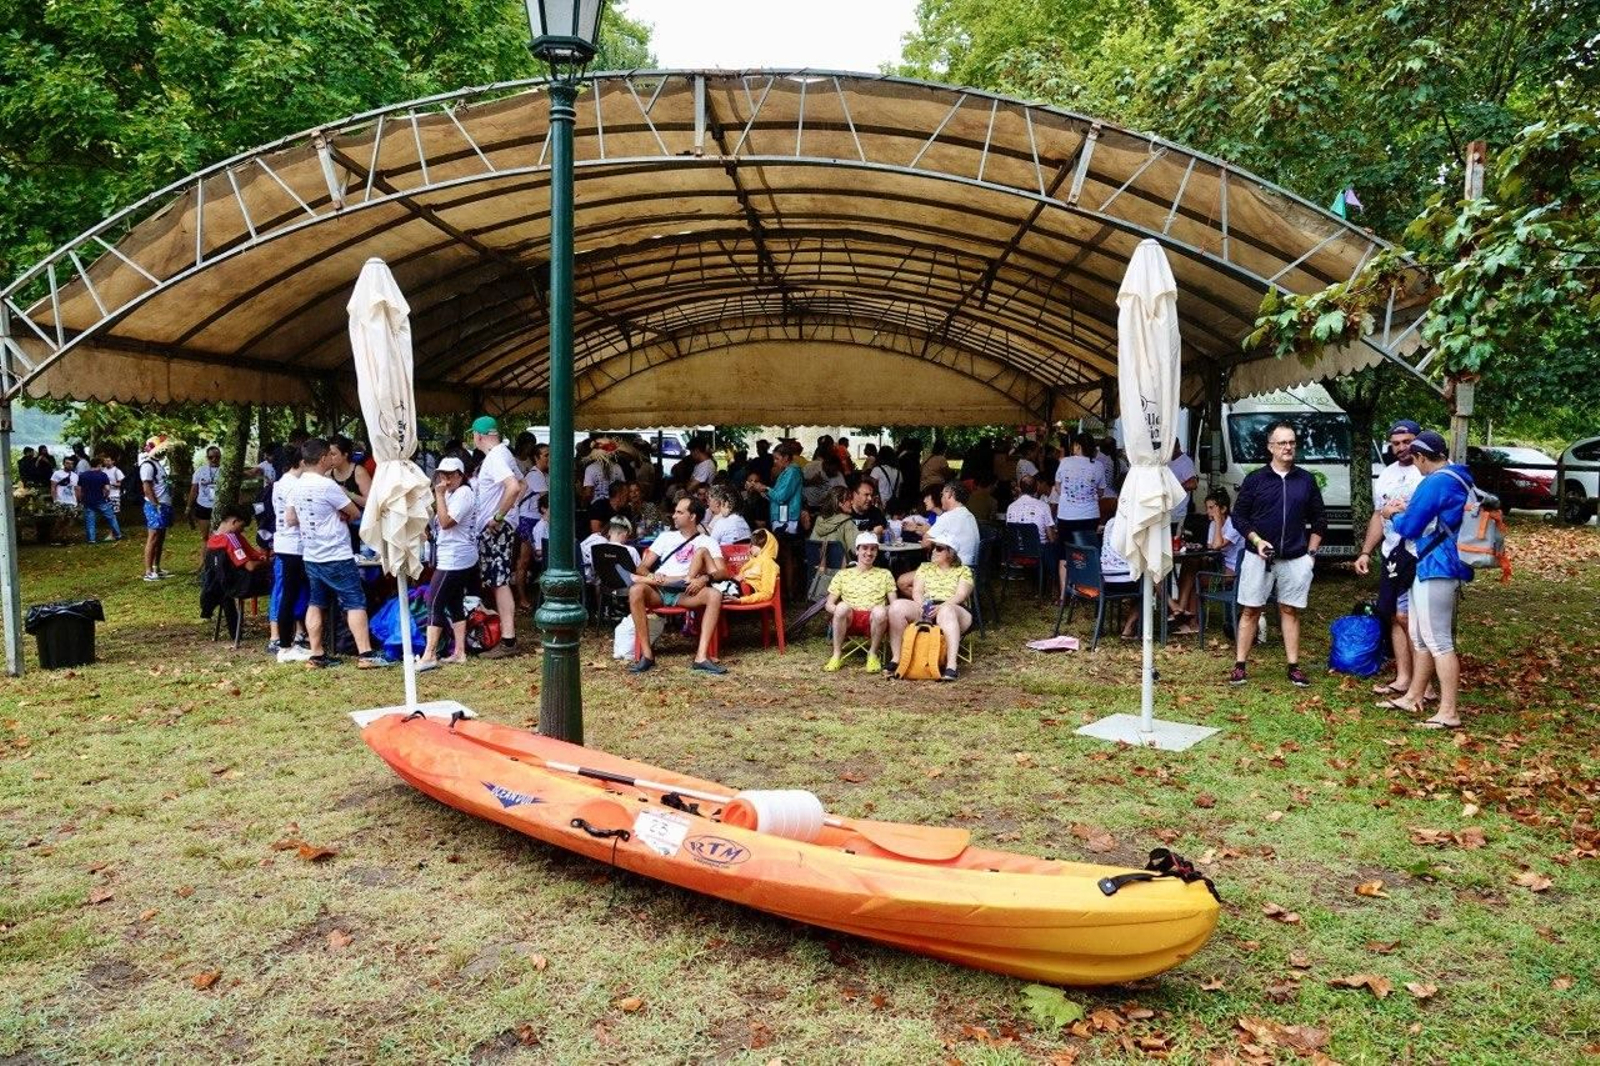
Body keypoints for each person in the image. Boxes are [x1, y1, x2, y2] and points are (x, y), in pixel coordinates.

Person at [1384, 431, 1476, 730]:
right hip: (1432, 564)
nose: (1415, 466)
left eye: (1416, 459)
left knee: (1439, 640)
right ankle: (1413, 696)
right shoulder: (1458, 476)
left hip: (1436, 565)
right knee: (1420, 635)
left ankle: (1449, 711)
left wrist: (1391, 514)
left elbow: (1410, 526)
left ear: (1423, 457)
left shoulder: (1436, 482)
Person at [1229, 420, 1327, 687]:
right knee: (1251, 609)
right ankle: (1240, 665)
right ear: (1270, 447)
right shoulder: (1256, 479)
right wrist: (1257, 540)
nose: (1288, 447)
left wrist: (1311, 555)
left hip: (1296, 558)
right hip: (1258, 556)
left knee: (1289, 610)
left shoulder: (1305, 480)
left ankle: (1293, 666)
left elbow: (1319, 520)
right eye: (1282, 443)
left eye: (1292, 442)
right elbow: (1239, 517)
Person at [286, 438, 389, 669]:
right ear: (323, 458)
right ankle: (366, 654)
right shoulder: (327, 485)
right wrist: (338, 514)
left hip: (311, 554)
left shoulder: (297, 485)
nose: (332, 459)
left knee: (316, 602)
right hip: (336, 553)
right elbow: (353, 512)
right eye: (329, 456)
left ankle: (317, 654)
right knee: (355, 601)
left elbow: (290, 519)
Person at [1358, 420, 1427, 698]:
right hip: (1391, 554)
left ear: (1418, 441)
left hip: (1417, 554)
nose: (1401, 448)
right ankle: (1403, 677)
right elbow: (1378, 514)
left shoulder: (1425, 473)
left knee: (1410, 618)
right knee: (1393, 617)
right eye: (1396, 443)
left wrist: (1401, 511)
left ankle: (1425, 686)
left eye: (1407, 442)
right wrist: (1365, 551)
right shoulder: (1385, 474)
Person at [627, 495, 728, 675]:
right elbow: (641, 567)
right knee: (636, 590)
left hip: (685, 592)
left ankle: (701, 657)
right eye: (675, 511)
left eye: (679, 512)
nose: (673, 516)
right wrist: (651, 574)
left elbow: (722, 572)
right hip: (659, 589)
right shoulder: (666, 537)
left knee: (714, 595)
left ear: (692, 517)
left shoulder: (707, 542)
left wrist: (704, 579)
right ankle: (647, 655)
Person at [469, 416, 524, 658]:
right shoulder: (505, 453)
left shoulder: (494, 457)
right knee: (496, 580)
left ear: (478, 436)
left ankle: (508, 640)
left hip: (496, 528)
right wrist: (512, 513)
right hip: (502, 526)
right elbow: (522, 485)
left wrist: (500, 516)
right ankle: (505, 635)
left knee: (499, 581)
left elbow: (513, 487)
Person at [887, 534, 974, 681]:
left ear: (950, 553)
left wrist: (941, 606)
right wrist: (923, 605)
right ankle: (897, 658)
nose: (933, 551)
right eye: (933, 547)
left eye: (939, 548)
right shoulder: (925, 567)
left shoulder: (963, 570)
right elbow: (917, 591)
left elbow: (961, 595)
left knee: (946, 610)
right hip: (927, 606)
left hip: (954, 608)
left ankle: (951, 665)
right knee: (896, 606)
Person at [417, 457, 477, 672]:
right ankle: (459, 651)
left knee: (433, 601)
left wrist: (439, 495)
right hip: (455, 555)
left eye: (451, 474)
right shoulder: (453, 493)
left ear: (461, 475)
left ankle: (430, 653)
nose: (446, 478)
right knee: (454, 602)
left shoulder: (463, 494)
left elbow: (446, 522)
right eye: (443, 474)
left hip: (455, 557)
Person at [1170, 488, 1244, 628]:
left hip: (1234, 570)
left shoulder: (1233, 524)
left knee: (1194, 579)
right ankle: (1182, 614)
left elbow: (1216, 545)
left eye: (1211, 508)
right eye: (1207, 508)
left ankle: (1187, 618)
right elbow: (1210, 547)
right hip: (1219, 564)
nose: (1207, 512)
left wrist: (1217, 521)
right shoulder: (1212, 524)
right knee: (1190, 564)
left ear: (1223, 509)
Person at [823, 533, 896, 672]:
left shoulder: (885, 574)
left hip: (874, 619)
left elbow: (894, 605)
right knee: (842, 606)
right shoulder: (843, 574)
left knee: (880, 610)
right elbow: (829, 604)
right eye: (865, 548)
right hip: (849, 618)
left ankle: (873, 654)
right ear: (857, 550)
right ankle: (836, 654)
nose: (869, 553)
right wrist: (839, 610)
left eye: (873, 549)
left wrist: (879, 610)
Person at [899, 481, 980, 597]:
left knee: (902, 581)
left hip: (953, 571)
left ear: (949, 494)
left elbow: (925, 543)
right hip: (971, 570)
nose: (941, 498)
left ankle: (932, 606)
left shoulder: (948, 516)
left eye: (942, 495)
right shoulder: (970, 516)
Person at [269, 444, 311, 662]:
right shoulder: (295, 485)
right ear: (302, 462)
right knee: (290, 595)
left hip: (284, 543)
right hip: (294, 545)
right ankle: (286, 645)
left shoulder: (280, 483)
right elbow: (291, 518)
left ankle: (291, 641)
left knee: (291, 594)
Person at [204, 505, 271, 637]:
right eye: (242, 526)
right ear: (234, 521)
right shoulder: (231, 539)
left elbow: (252, 553)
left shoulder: (211, 541)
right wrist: (267, 562)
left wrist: (260, 557)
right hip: (240, 585)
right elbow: (250, 566)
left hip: (222, 586)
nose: (242, 531)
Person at [512, 442, 551, 611]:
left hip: (540, 519)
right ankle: (522, 598)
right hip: (528, 520)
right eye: (546, 455)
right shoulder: (535, 475)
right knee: (524, 560)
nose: (550, 458)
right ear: (536, 458)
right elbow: (546, 498)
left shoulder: (546, 476)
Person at [1054, 433, 1107, 544]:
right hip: (1090, 516)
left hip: (1066, 514)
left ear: (1078, 446)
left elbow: (1058, 487)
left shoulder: (1065, 462)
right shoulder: (1098, 465)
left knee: (1064, 554)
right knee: (1086, 552)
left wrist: (1068, 496)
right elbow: (1101, 492)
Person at [138, 437, 174, 581]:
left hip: (165, 503)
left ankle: (157, 567)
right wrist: (156, 504)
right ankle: (148, 571)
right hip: (155, 505)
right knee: (153, 537)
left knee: (161, 537)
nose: (164, 452)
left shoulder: (158, 464)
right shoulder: (147, 465)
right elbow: (147, 488)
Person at [74, 456, 120, 543]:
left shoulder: (83, 475)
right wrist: (106, 496)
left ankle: (91, 539)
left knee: (90, 520)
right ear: (98, 465)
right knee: (111, 517)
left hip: (87, 500)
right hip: (100, 499)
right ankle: (117, 534)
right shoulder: (102, 475)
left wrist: (79, 499)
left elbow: (78, 489)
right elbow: (107, 488)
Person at [581, 515, 640, 582]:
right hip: (592, 578)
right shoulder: (604, 545)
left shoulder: (594, 536)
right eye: (628, 535)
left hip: (583, 574)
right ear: (625, 533)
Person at [1168, 442, 1200, 533]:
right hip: (1167, 513)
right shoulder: (1168, 460)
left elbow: (1193, 484)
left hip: (1177, 514)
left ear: (1177, 447)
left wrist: (1174, 488)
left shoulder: (1185, 462)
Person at [188, 445, 222, 528]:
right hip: (203, 506)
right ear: (207, 458)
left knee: (219, 535)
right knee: (205, 536)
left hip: (220, 506)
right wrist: (188, 507)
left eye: (217, 457)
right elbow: (194, 490)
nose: (214, 459)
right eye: (211, 457)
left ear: (220, 457)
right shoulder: (200, 471)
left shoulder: (224, 471)